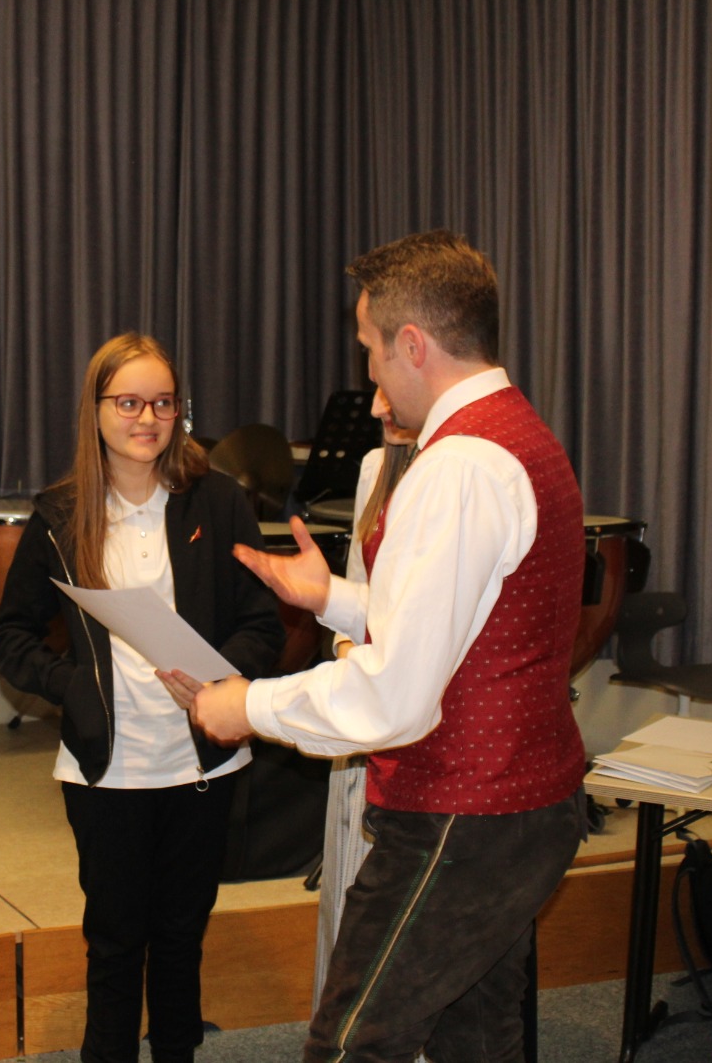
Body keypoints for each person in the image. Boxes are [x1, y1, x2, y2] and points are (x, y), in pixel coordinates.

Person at [179, 230, 588, 1063]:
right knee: (478, 1038)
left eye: (370, 349)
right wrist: (332, 597)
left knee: (353, 1043)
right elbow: (461, 625)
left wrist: (247, 705)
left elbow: (395, 695)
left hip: (462, 816)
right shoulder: (519, 433)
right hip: (524, 804)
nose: (369, 375)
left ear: (413, 344)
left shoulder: (458, 465)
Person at [0, 333, 285, 1063]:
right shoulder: (61, 513)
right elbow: (12, 635)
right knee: (115, 941)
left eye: (163, 403)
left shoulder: (218, 500)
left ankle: (178, 1050)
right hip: (108, 770)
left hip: (203, 761)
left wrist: (221, 678)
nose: (147, 418)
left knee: (182, 935)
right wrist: (74, 684)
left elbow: (262, 625)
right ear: (95, 410)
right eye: (128, 402)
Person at [311, 388, 416, 1011]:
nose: (377, 405)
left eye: (385, 383)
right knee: (349, 910)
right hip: (364, 713)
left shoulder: (466, 468)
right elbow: (358, 595)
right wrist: (350, 650)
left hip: (421, 730)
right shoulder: (376, 468)